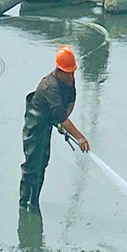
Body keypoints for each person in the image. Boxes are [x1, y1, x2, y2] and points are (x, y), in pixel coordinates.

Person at [19, 45, 90, 210]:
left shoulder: (68, 80)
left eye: (73, 72)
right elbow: (62, 118)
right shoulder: (49, 87)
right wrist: (79, 137)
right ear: (59, 70)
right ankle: (23, 204)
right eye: (68, 72)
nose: (72, 76)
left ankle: (34, 202)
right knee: (31, 166)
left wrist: (60, 121)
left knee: (43, 163)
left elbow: (70, 102)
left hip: (48, 123)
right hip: (35, 125)